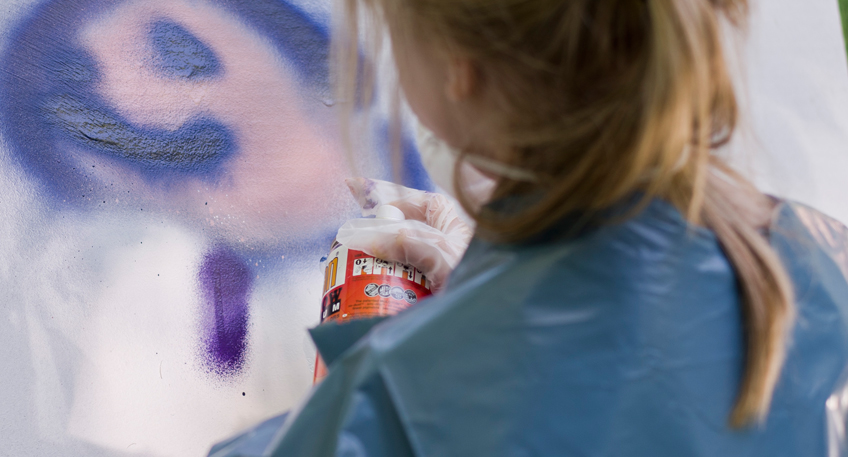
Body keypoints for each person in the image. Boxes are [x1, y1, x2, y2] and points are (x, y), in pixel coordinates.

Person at [209, 0, 848, 455]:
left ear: (458, 64)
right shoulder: (825, 262)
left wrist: (448, 340)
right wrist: (493, 302)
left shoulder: (405, 393)